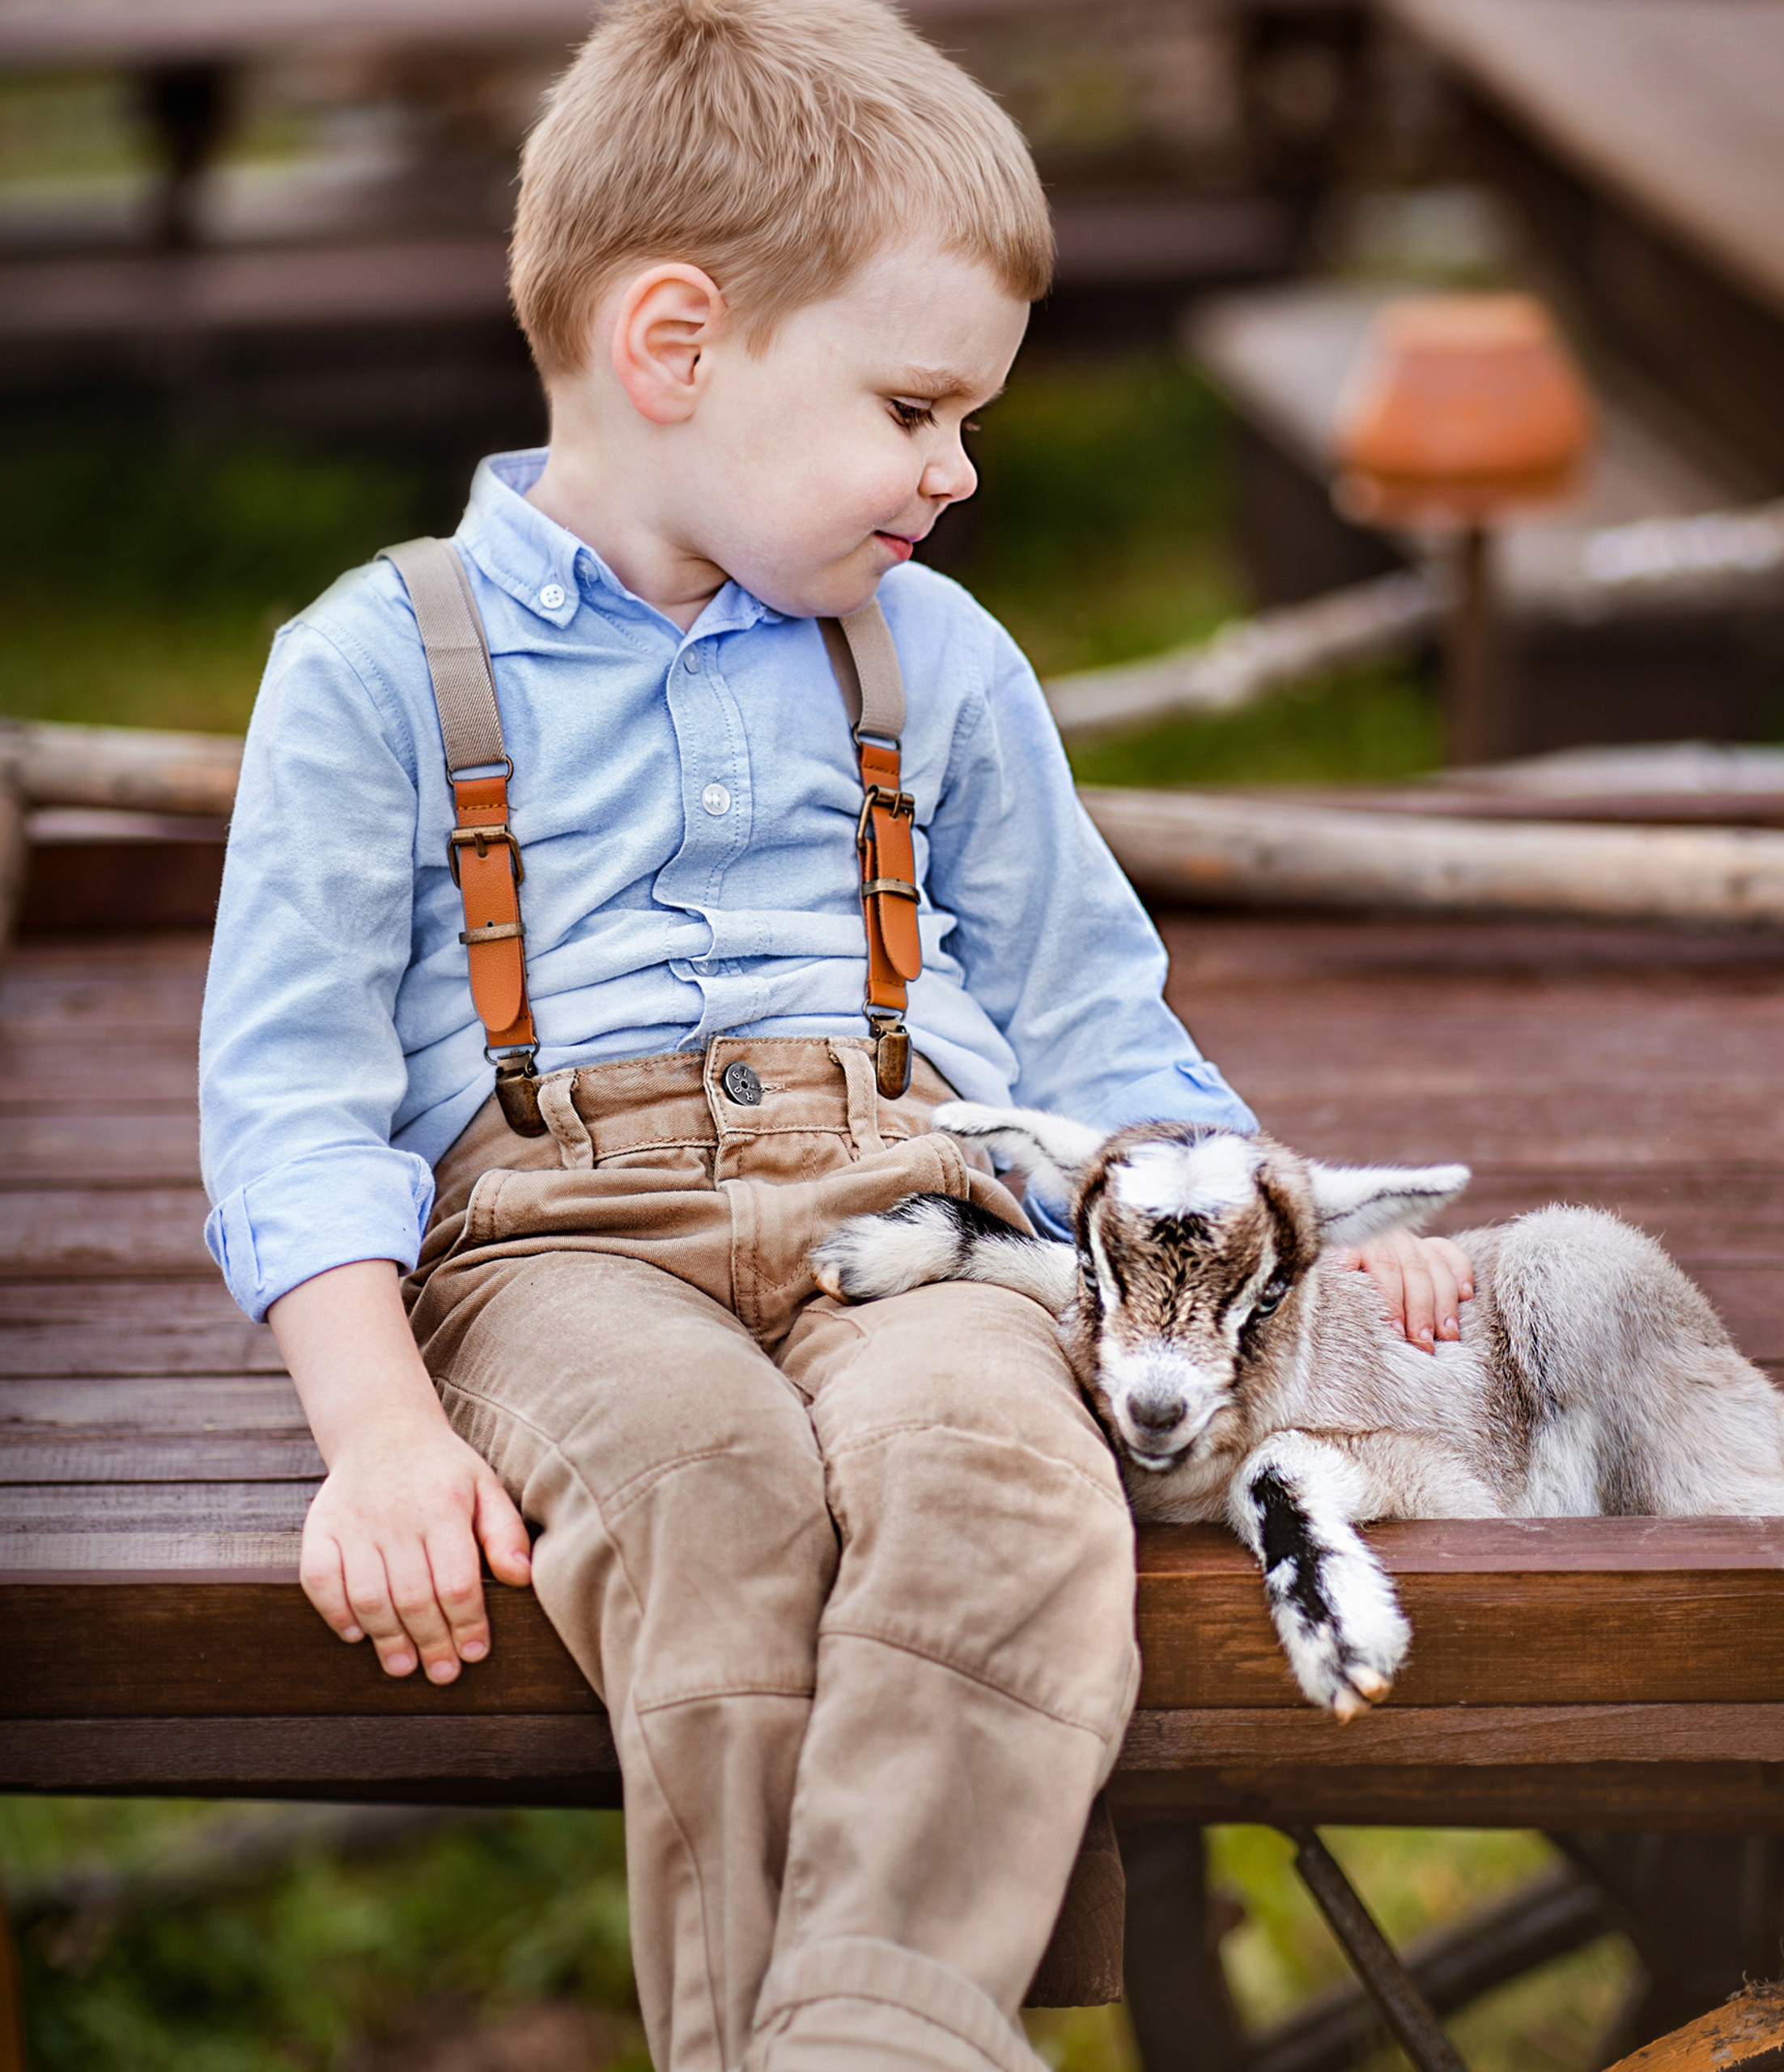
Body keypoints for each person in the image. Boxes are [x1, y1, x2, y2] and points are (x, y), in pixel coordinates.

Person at [198, 2, 1473, 2064]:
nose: (955, 470)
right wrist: (380, 1431)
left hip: (919, 1201)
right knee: (703, 1486)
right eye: (912, 406)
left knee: (999, 1472)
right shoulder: (374, 668)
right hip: (555, 1246)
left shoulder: (932, 656)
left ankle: (870, 2035)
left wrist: (1272, 1220)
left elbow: (1084, 1005)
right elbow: (292, 1094)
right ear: (675, 346)